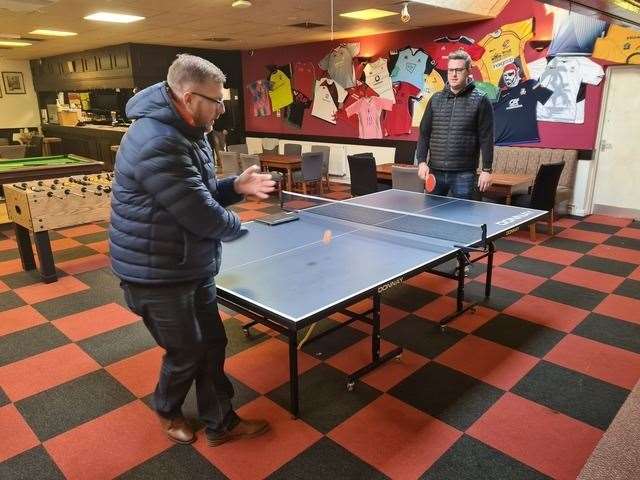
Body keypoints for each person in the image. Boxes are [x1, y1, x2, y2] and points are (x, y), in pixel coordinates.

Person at [109, 54, 275, 447]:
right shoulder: (157, 141)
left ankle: (221, 422)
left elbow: (198, 191)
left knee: (212, 344)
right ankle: (167, 411)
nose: (222, 109)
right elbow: (200, 214)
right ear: (186, 97)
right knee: (186, 353)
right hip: (156, 273)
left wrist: (233, 187)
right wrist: (247, 229)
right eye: (215, 101)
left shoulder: (190, 130)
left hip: (189, 263)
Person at [416, 50, 494, 199]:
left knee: (463, 219)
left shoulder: (481, 100)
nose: (453, 74)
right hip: (434, 172)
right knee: (432, 219)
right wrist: (421, 162)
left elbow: (487, 138)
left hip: (464, 174)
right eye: (451, 70)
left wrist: (487, 170)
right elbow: (424, 133)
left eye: (458, 70)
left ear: (468, 70)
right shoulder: (435, 99)